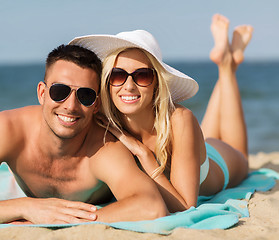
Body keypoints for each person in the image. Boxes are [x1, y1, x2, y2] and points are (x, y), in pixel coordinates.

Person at [0, 44, 168, 225]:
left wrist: (63, 220)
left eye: (85, 96)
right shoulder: (8, 129)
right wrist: (26, 207)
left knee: (207, 145)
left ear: (96, 105)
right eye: (60, 91)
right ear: (42, 93)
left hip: (175, 159)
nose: (71, 106)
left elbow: (151, 206)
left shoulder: (104, 148)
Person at [69, 14, 253, 213]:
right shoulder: (104, 121)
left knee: (240, 153)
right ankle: (227, 62)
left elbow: (186, 206)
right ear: (107, 82)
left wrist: (143, 154)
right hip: (191, 148)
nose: (128, 86)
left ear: (156, 82)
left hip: (220, 163)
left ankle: (227, 67)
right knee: (202, 134)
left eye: (142, 75)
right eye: (118, 75)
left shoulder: (180, 119)